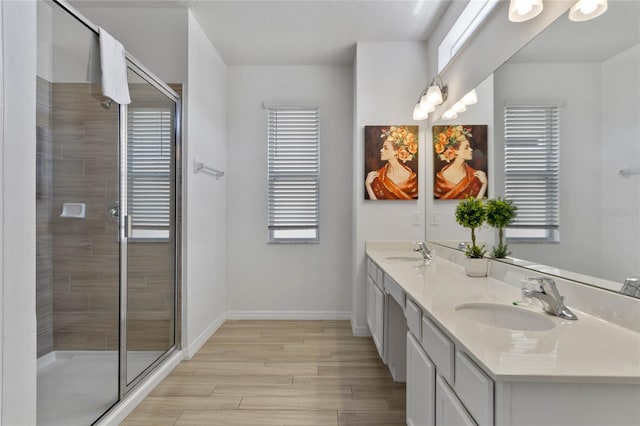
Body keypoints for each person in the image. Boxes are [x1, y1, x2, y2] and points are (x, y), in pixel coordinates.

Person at [433, 125, 487, 199]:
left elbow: (476, 205)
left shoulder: (474, 174)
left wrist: (484, 184)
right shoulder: (443, 177)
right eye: (466, 147)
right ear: (455, 150)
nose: (471, 149)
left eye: (470, 146)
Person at [365, 126, 418, 200]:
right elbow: (376, 206)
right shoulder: (378, 176)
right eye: (382, 147)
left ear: (396, 151)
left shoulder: (410, 177)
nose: (381, 150)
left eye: (385, 148)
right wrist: (368, 185)